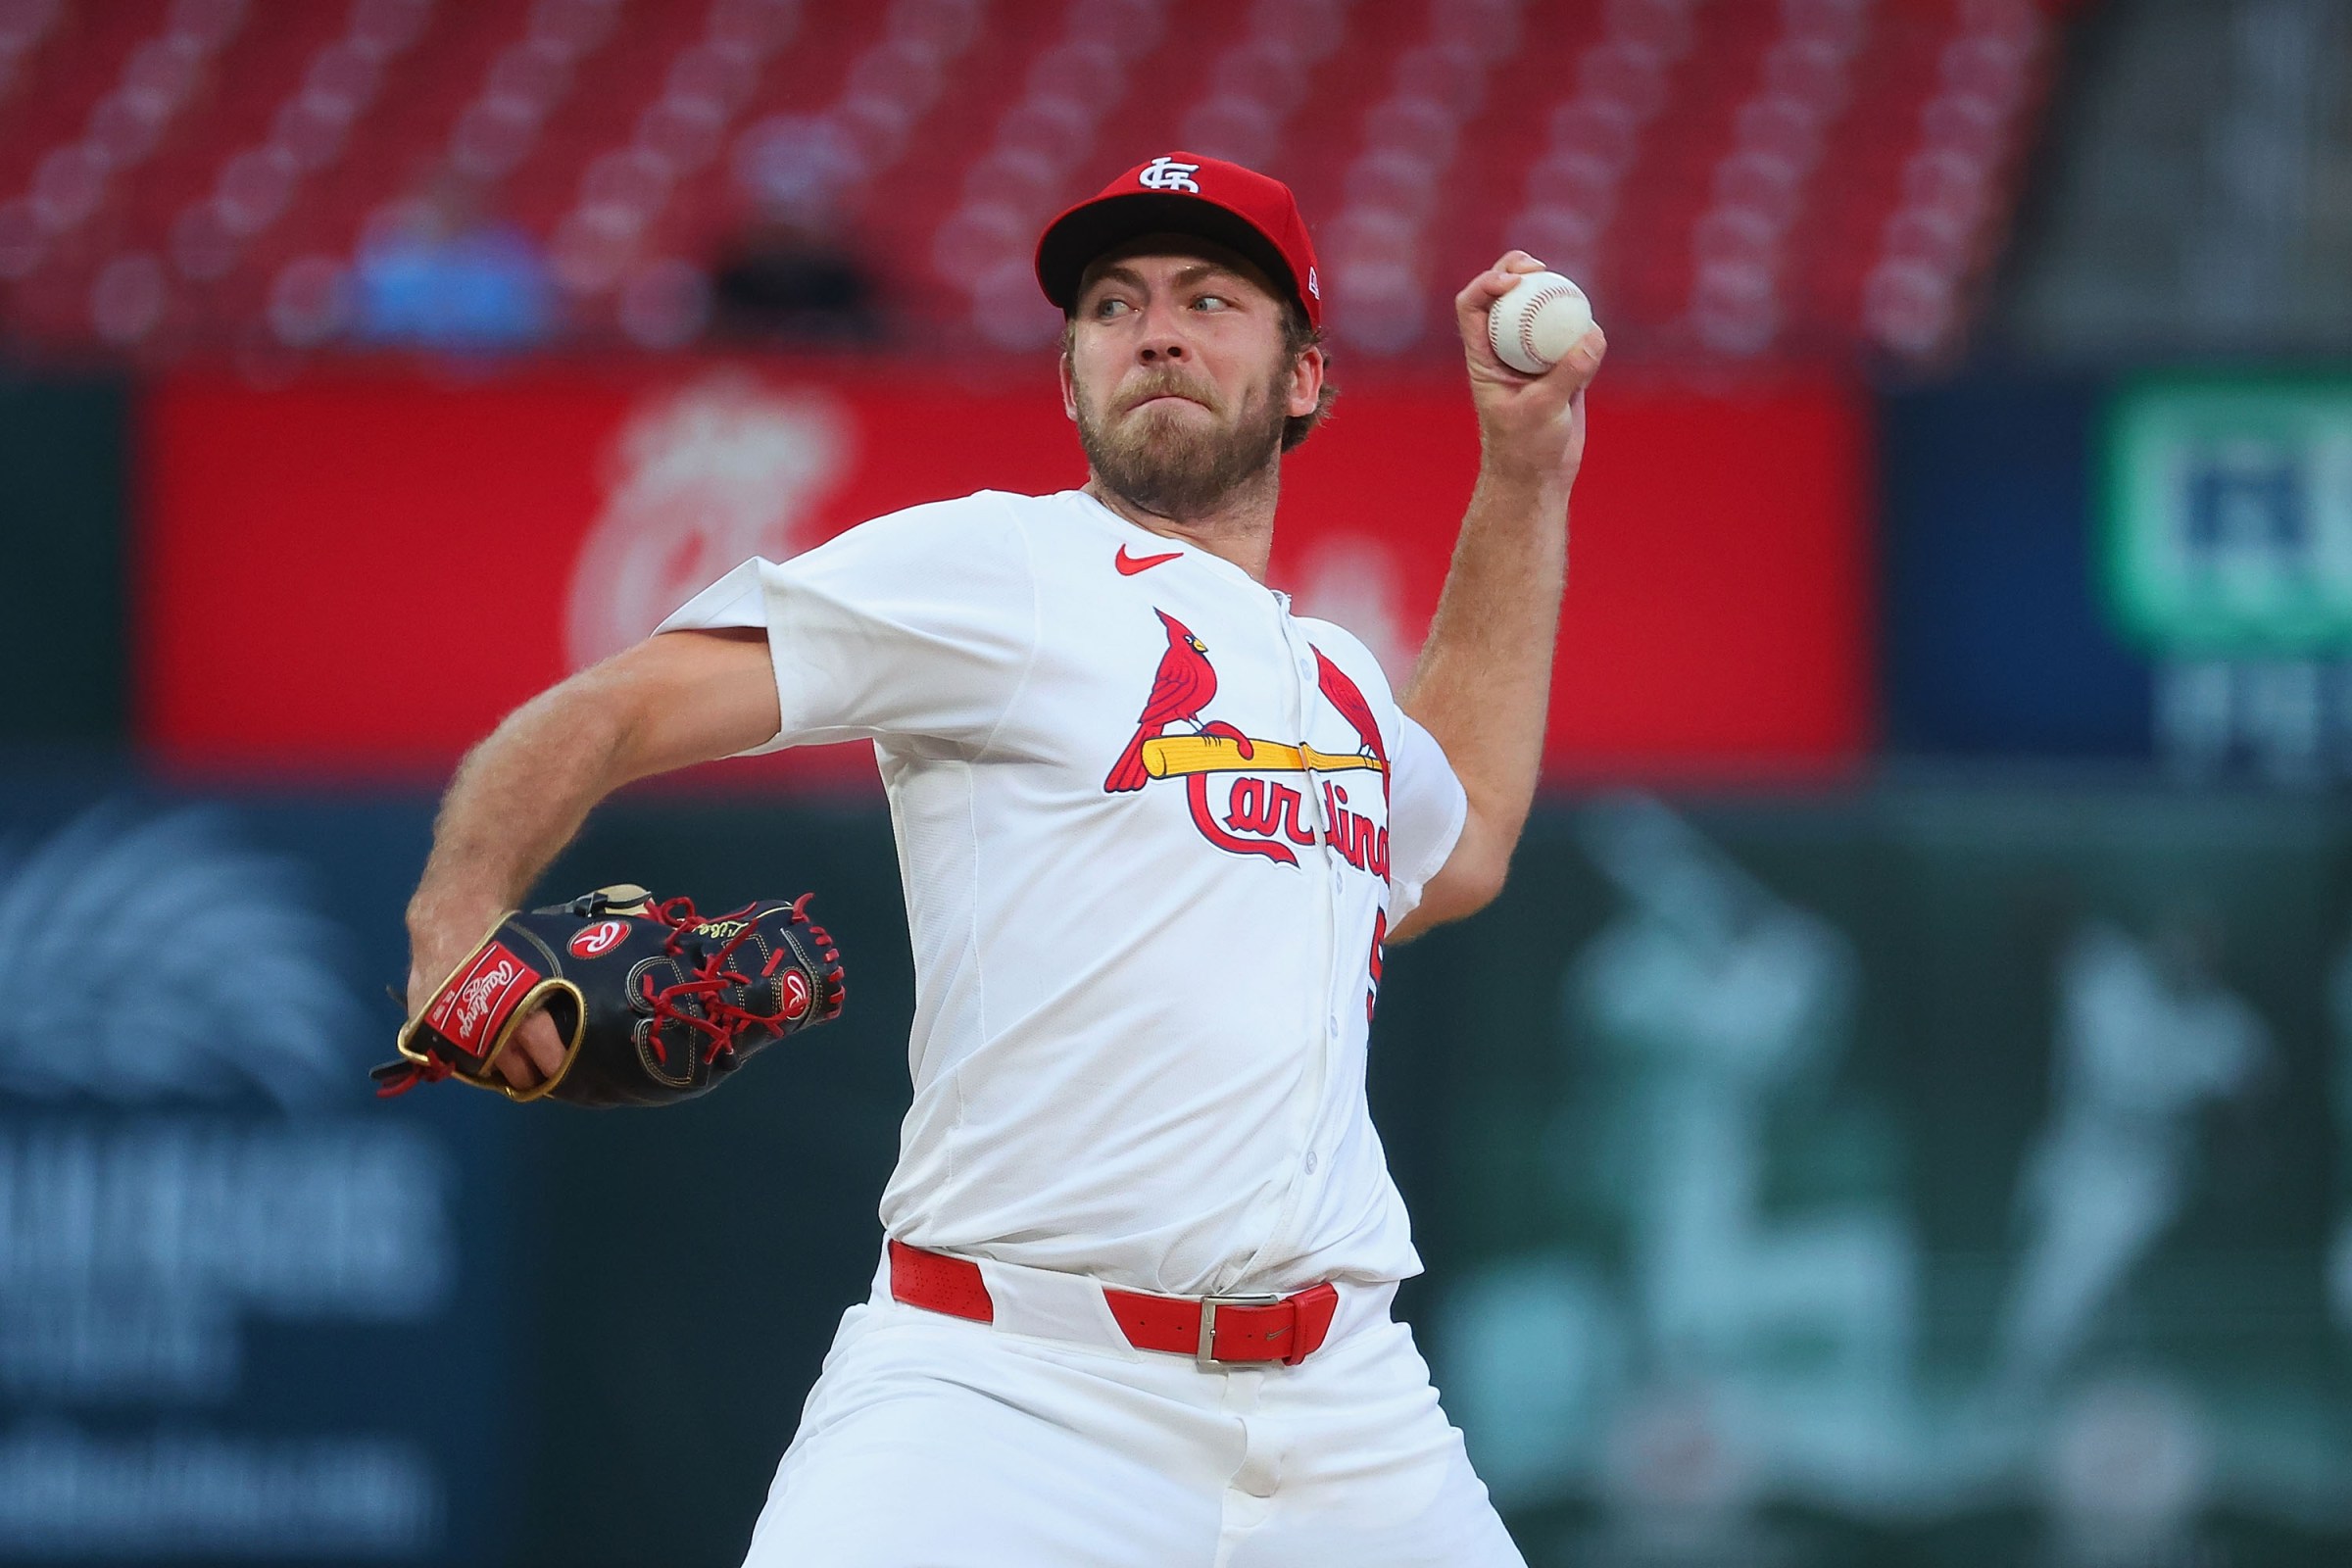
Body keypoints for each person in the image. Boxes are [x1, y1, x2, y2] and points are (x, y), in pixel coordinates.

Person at [401, 153, 1604, 1566]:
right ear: (1072, 377)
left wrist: (1523, 475)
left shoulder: (1335, 676)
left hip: (1350, 1414)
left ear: (1302, 377)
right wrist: (454, 922)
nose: (1156, 328)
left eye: (1212, 298)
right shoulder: (1003, 571)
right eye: (1112, 304)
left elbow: (1456, 842)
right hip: (1006, 1393)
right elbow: (618, 705)